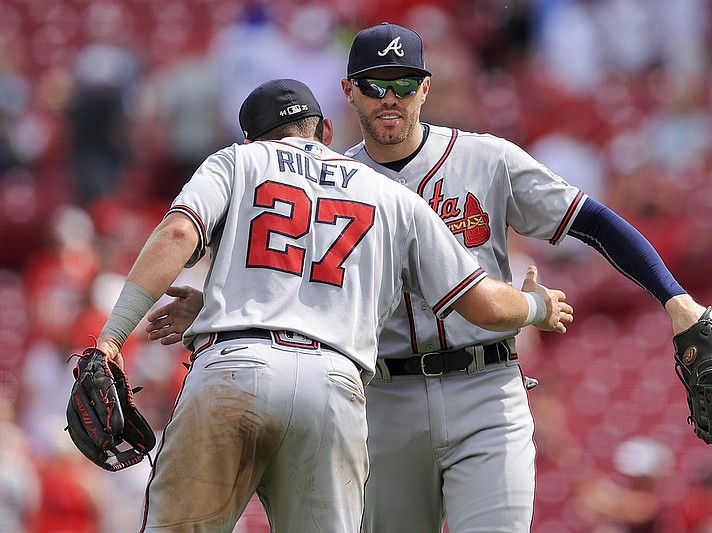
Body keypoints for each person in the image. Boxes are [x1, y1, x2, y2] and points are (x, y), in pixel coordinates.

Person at [148, 24, 712, 533]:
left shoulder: (487, 159)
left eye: (404, 84)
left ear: (425, 89)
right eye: (375, 85)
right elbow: (283, 281)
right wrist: (210, 306)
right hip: (379, 399)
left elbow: (594, 222)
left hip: (485, 387)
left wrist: (677, 301)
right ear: (348, 92)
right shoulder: (327, 180)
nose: (391, 98)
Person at [91, 78, 573, 533]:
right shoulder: (388, 193)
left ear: (253, 139)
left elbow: (178, 232)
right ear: (325, 131)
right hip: (334, 386)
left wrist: (111, 339)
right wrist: (536, 306)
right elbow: (483, 304)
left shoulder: (238, 162)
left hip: (231, 368)